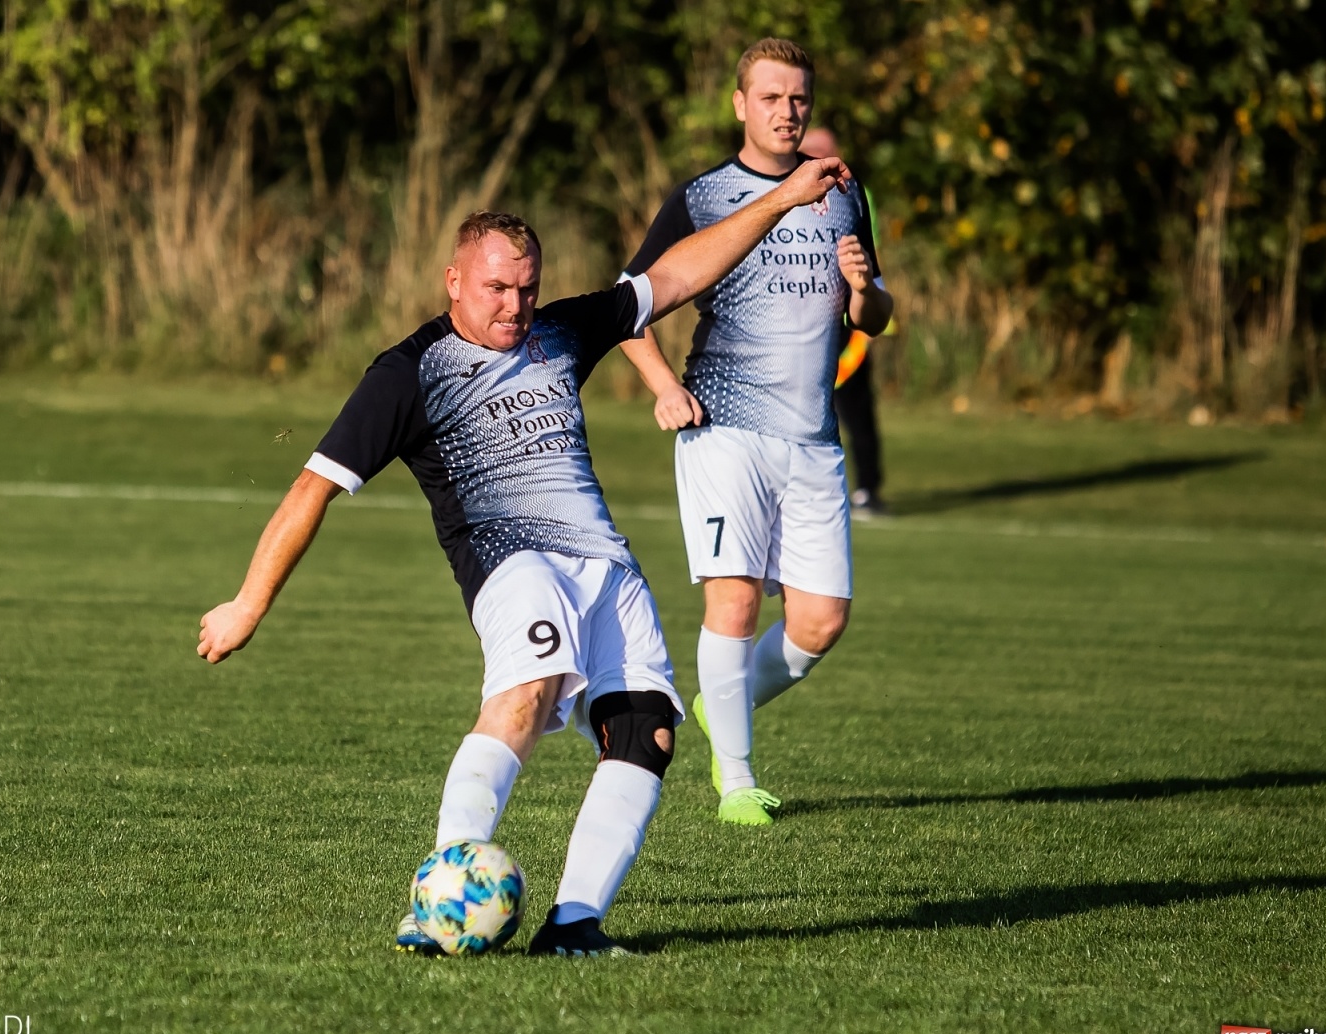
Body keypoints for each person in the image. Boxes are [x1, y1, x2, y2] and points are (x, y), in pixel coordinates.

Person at [197, 157, 853, 956]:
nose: (515, 307)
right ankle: (439, 897)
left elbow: (677, 276)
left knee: (648, 732)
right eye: (496, 290)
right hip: (514, 565)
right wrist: (246, 604)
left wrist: (784, 198)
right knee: (526, 695)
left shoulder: (561, 330)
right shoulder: (410, 374)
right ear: (454, 281)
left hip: (607, 567)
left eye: (527, 289)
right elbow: (311, 489)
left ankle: (575, 925)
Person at [617, 38, 894, 826]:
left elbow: (875, 316)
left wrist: (863, 288)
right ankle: (735, 782)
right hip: (725, 430)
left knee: (820, 622)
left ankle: (721, 704)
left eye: (799, 98)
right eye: (770, 97)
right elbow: (628, 304)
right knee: (733, 607)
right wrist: (666, 387)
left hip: (811, 438)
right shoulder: (704, 197)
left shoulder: (843, 192)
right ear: (741, 105)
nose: (787, 111)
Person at [801, 126, 890, 520]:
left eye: (825, 149)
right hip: (802, 328)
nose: (818, 155)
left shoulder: (854, 193)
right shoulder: (785, 192)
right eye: (811, 149)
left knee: (858, 412)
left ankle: (868, 488)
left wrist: (864, 289)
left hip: (848, 325)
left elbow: (870, 258)